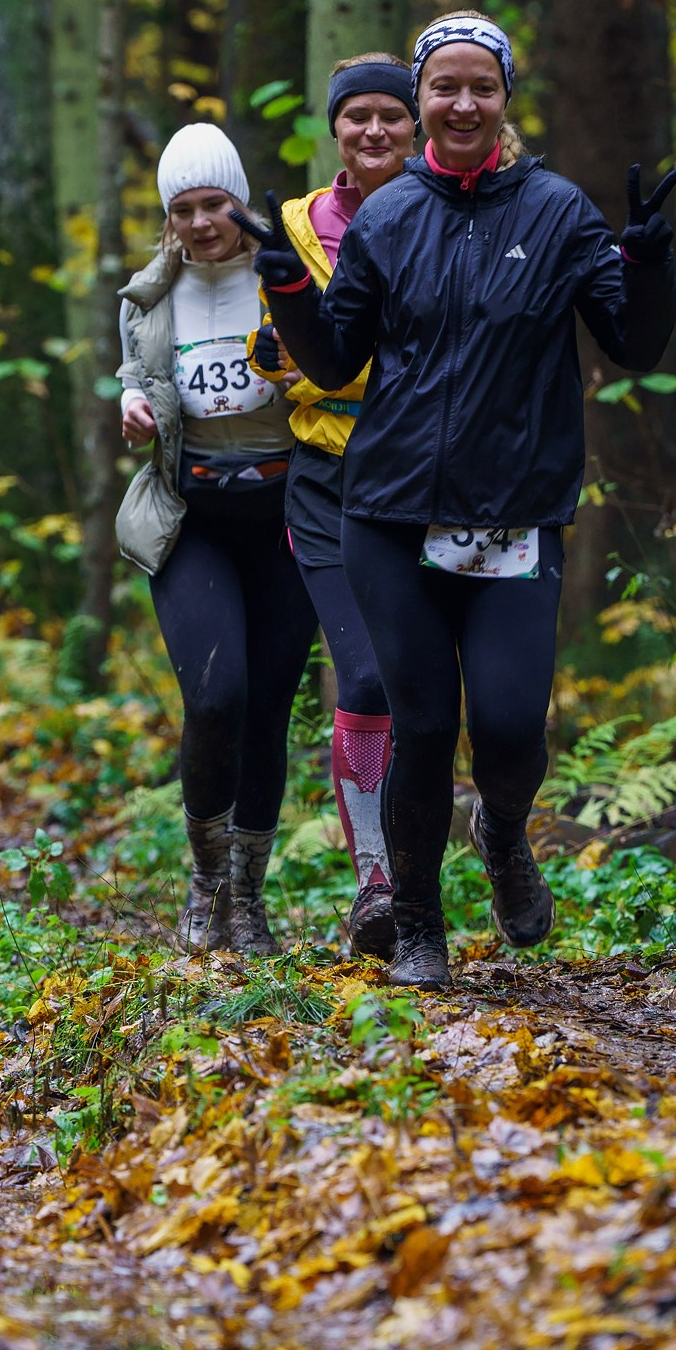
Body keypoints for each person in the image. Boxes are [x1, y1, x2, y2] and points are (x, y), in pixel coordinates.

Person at [245, 12, 676, 988]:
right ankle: (419, 930)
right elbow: (332, 356)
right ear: (420, 101)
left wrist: (648, 264)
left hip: (515, 517)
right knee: (422, 724)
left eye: (479, 86)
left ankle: (504, 831)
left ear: (502, 99)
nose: (460, 102)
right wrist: (285, 289)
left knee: (512, 724)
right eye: (442, 86)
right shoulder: (390, 215)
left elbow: (634, 344)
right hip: (389, 517)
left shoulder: (560, 212)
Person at [115, 124, 321, 956]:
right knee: (215, 696)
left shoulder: (286, 274)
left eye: (213, 204)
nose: (201, 223)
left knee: (268, 711)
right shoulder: (147, 295)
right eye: (182, 209)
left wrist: (299, 371)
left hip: (285, 515)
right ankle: (204, 881)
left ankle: (249, 894)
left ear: (239, 199)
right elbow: (136, 383)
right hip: (192, 517)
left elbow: (334, 370)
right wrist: (131, 409)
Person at [259, 54, 418, 958]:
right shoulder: (295, 228)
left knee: (422, 687)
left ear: (416, 125)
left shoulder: (451, 214)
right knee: (361, 679)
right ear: (336, 129)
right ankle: (376, 886)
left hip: (430, 472)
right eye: (355, 117)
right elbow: (291, 351)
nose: (372, 131)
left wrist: (323, 360)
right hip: (325, 477)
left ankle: (428, 866)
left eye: (389, 117)